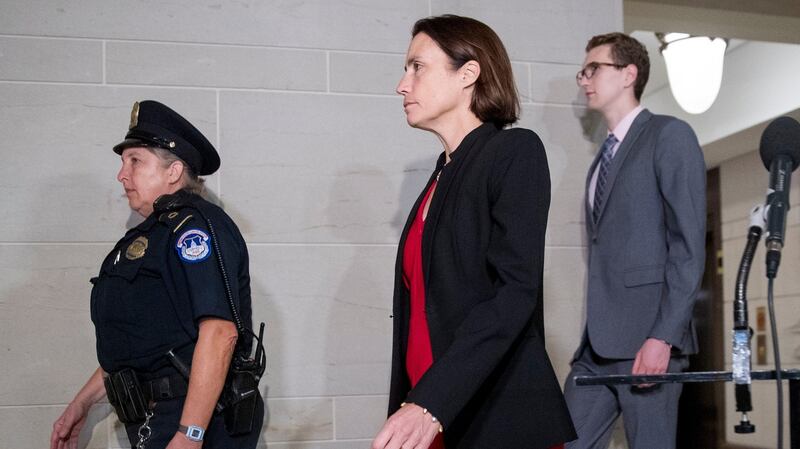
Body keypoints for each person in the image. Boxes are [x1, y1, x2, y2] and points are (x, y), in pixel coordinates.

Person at [372, 15, 576, 449]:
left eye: (417, 67)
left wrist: (431, 402)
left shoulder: (513, 152)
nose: (402, 85)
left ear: (468, 73)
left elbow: (514, 292)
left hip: (493, 416)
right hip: (434, 411)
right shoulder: (440, 175)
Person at [50, 100, 264, 449]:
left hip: (194, 421)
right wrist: (81, 405)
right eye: (123, 162)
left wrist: (190, 434)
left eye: (135, 161)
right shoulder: (151, 235)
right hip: (158, 419)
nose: (122, 174)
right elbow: (138, 344)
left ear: (173, 171)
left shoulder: (195, 229)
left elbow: (220, 332)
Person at [563, 32, 706, 449]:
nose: (584, 79)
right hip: (596, 349)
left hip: (649, 341)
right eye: (582, 71)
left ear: (629, 74)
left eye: (594, 68)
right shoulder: (601, 158)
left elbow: (688, 245)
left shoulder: (669, 135)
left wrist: (663, 336)